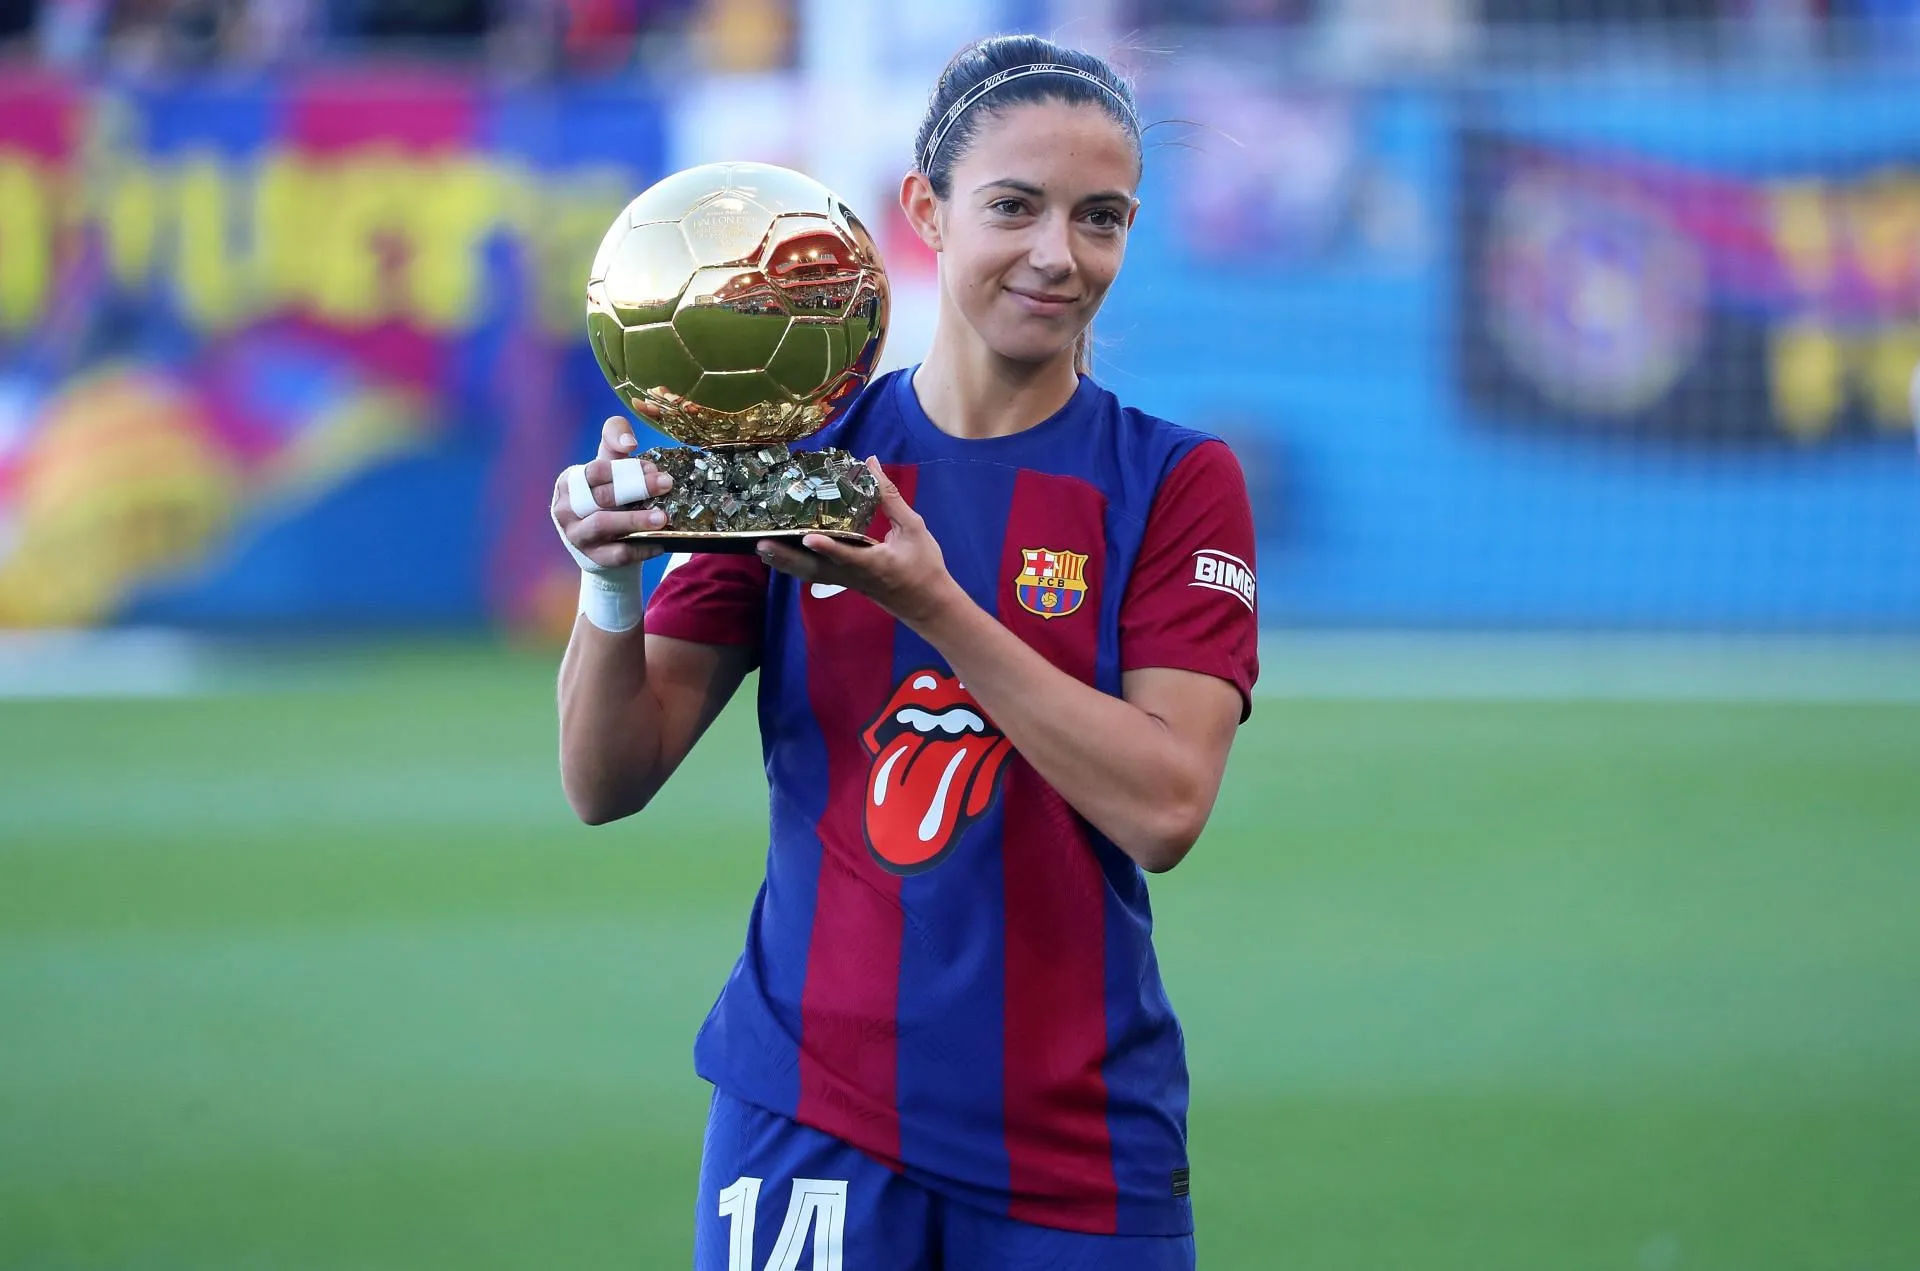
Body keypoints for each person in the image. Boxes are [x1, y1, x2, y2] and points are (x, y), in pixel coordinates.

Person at [551, 33, 1259, 1271]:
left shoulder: (1174, 482)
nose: (1059, 253)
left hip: (1080, 1141)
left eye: (1101, 218)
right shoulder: (799, 456)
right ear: (925, 211)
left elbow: (1165, 804)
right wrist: (610, 582)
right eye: (1015, 207)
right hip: (812, 1110)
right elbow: (606, 779)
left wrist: (933, 602)